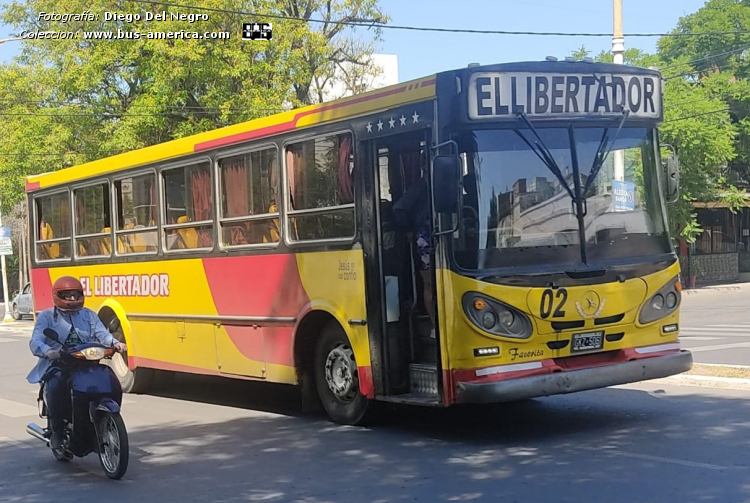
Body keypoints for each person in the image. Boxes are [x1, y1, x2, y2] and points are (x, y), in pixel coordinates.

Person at [26, 276, 127, 449]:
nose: (72, 299)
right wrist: (48, 351)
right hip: (60, 363)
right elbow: (36, 341)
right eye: (68, 295)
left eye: (76, 294)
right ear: (58, 295)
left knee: (108, 379)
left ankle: (100, 420)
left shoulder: (89, 314)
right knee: (57, 385)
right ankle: (57, 431)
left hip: (87, 362)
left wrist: (114, 343)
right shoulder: (47, 316)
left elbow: (101, 334)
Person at [393, 166, 436, 339]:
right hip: (425, 239)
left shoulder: (448, 185)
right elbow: (398, 209)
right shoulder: (420, 187)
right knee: (430, 284)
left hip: (447, 237)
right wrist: (409, 230)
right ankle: (434, 326)